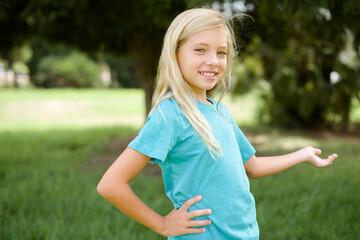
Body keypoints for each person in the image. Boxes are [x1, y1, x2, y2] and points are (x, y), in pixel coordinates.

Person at [97, 7, 337, 240]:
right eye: (200, 50)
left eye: (221, 53)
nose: (213, 61)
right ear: (175, 54)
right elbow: (111, 184)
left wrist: (302, 154)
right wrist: (162, 224)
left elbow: (252, 167)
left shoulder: (220, 111)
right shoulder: (170, 115)